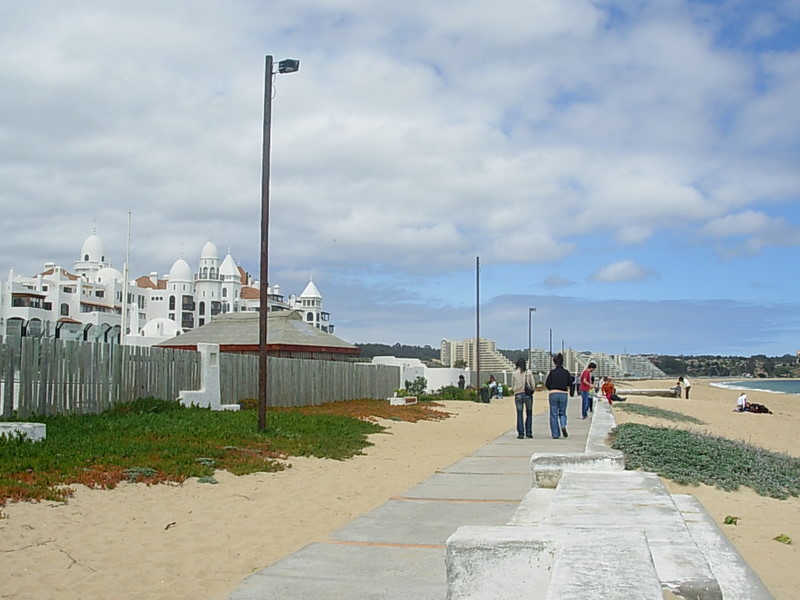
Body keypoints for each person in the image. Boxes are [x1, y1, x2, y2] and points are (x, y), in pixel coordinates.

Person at [545, 353, 572, 439]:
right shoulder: (566, 372)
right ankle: (563, 425)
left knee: (553, 414)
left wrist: (551, 389)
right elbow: (570, 382)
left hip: (553, 393)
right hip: (563, 393)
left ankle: (555, 434)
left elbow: (547, 384)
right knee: (562, 412)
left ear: (554, 363)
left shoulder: (552, 373)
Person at [511, 358, 536, 439]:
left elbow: (512, 385)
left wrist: (516, 390)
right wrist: (532, 390)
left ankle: (520, 433)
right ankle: (529, 432)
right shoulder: (528, 372)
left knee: (519, 414)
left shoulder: (514, 373)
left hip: (518, 394)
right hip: (528, 395)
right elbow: (533, 384)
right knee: (529, 414)